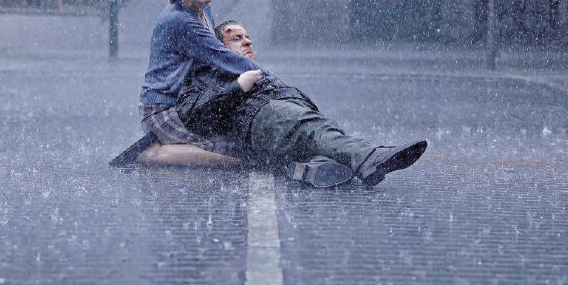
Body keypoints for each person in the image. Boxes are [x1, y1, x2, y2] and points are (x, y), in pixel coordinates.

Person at [174, 20, 428, 187]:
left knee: (320, 135)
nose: (248, 41)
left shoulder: (256, 70)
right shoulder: (211, 72)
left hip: (278, 123)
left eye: (248, 36)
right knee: (313, 130)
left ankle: (307, 168)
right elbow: (192, 112)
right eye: (236, 38)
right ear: (218, 48)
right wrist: (238, 86)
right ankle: (369, 158)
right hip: (261, 119)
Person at [135, 0, 263, 166]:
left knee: (235, 139)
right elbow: (223, 57)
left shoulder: (203, 10)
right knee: (232, 157)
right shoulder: (181, 20)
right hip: (163, 111)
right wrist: (265, 77)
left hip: (190, 106)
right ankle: (155, 155)